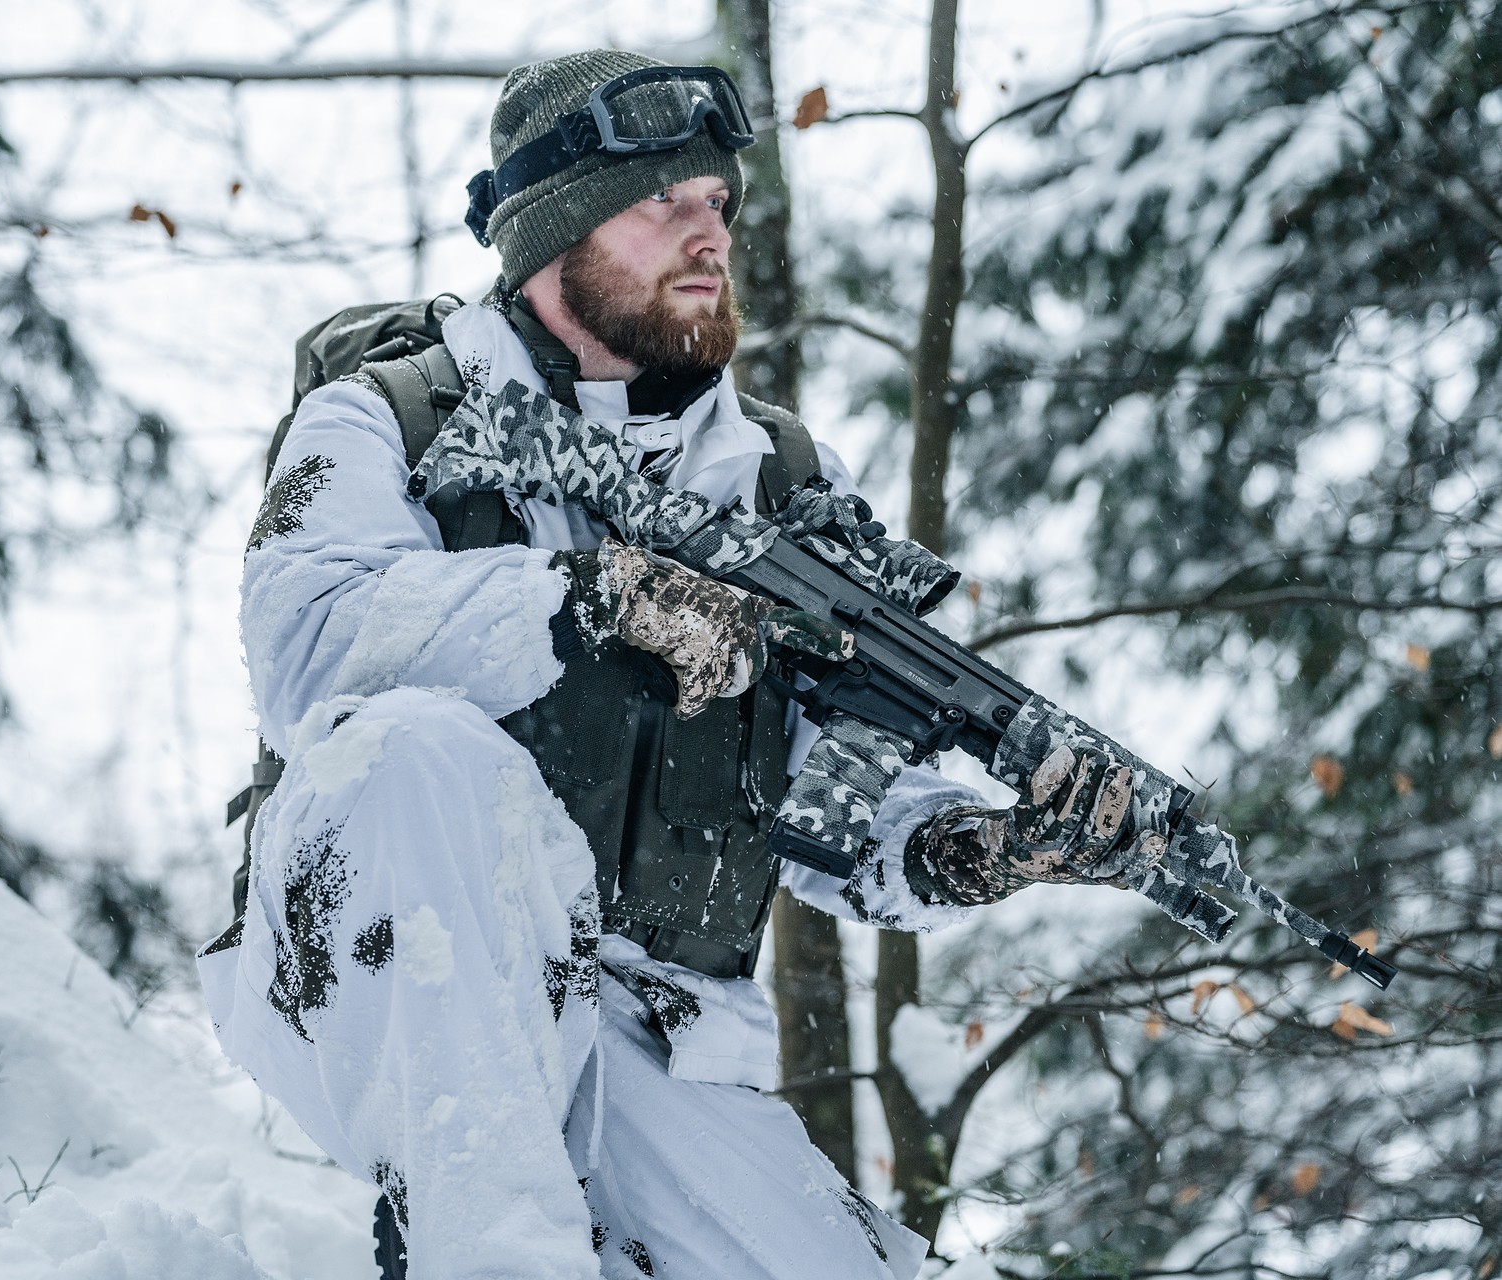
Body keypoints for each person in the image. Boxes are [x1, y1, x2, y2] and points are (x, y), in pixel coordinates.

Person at [199, 50, 1160, 1280]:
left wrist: (969, 844)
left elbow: (825, 778)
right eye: (665, 201)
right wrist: (586, 597)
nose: (709, 232)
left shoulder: (782, 482)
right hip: (361, 951)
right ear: (553, 233)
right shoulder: (387, 415)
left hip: (646, 1017)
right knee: (415, 750)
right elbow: (307, 642)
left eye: (720, 202)